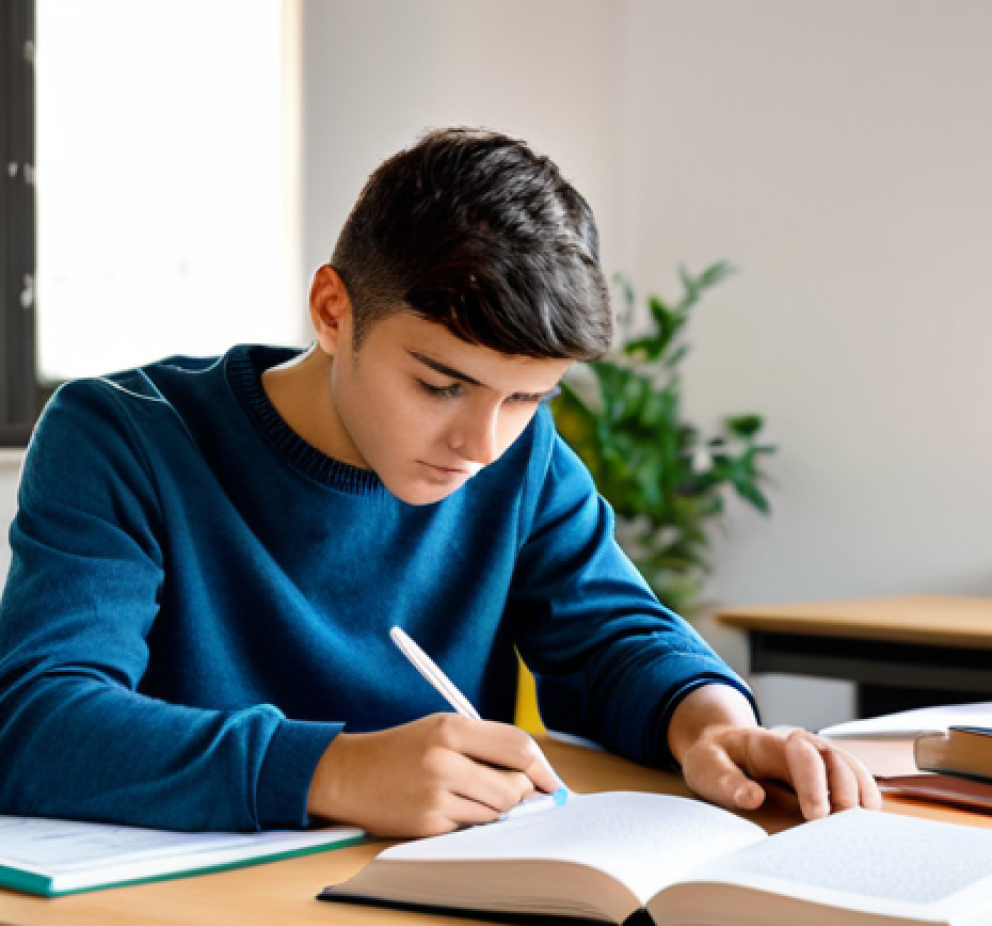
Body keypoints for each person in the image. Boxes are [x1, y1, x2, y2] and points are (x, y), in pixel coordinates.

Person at [0, 129, 879, 837]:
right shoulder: (122, 435)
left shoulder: (520, 460)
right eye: (440, 385)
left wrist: (713, 723)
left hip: (437, 912)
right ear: (334, 312)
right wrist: (333, 769)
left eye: (528, 399)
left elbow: (615, 634)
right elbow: (36, 724)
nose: (481, 443)